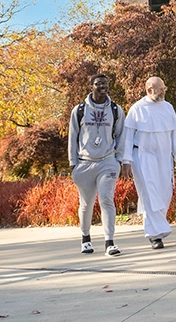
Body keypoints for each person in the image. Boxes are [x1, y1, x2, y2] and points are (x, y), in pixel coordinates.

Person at [122, 76, 176, 249]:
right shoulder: (137, 109)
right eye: (160, 89)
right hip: (143, 157)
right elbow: (127, 138)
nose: (163, 91)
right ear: (149, 90)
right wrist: (126, 160)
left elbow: (175, 134)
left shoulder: (168, 108)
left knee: (165, 193)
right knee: (149, 193)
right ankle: (155, 235)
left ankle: (158, 227)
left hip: (164, 157)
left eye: (164, 88)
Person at [68, 74, 126, 256]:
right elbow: (72, 136)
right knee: (86, 204)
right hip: (84, 163)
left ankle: (110, 242)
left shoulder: (116, 110)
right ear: (91, 86)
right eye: (98, 84)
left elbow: (122, 135)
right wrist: (73, 163)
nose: (103, 87)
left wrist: (119, 160)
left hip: (107, 161)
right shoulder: (79, 110)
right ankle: (85, 239)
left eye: (106, 84)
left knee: (106, 200)